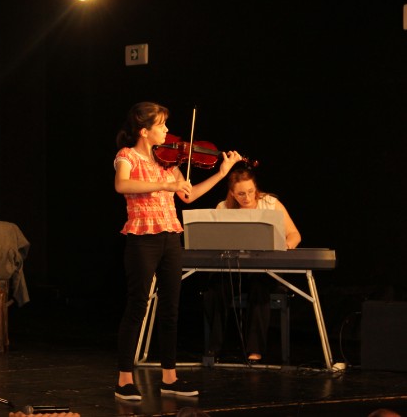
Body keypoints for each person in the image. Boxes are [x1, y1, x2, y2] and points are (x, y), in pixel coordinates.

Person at [113, 101, 243, 401]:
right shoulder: (127, 156)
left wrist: (222, 173)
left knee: (170, 308)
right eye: (161, 125)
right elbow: (122, 185)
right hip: (142, 237)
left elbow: (189, 194)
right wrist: (163, 186)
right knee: (137, 305)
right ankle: (124, 380)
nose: (167, 130)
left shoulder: (169, 162)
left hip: (171, 236)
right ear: (144, 131)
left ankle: (169, 378)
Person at [204, 165, 301, 363]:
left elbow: (294, 234)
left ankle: (255, 350)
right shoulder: (223, 208)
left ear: (255, 187)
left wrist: (287, 244)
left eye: (250, 191)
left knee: (260, 287)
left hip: (264, 269)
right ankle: (214, 348)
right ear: (232, 193)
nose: (247, 198)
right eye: (241, 194)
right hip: (234, 268)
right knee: (216, 289)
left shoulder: (270, 204)